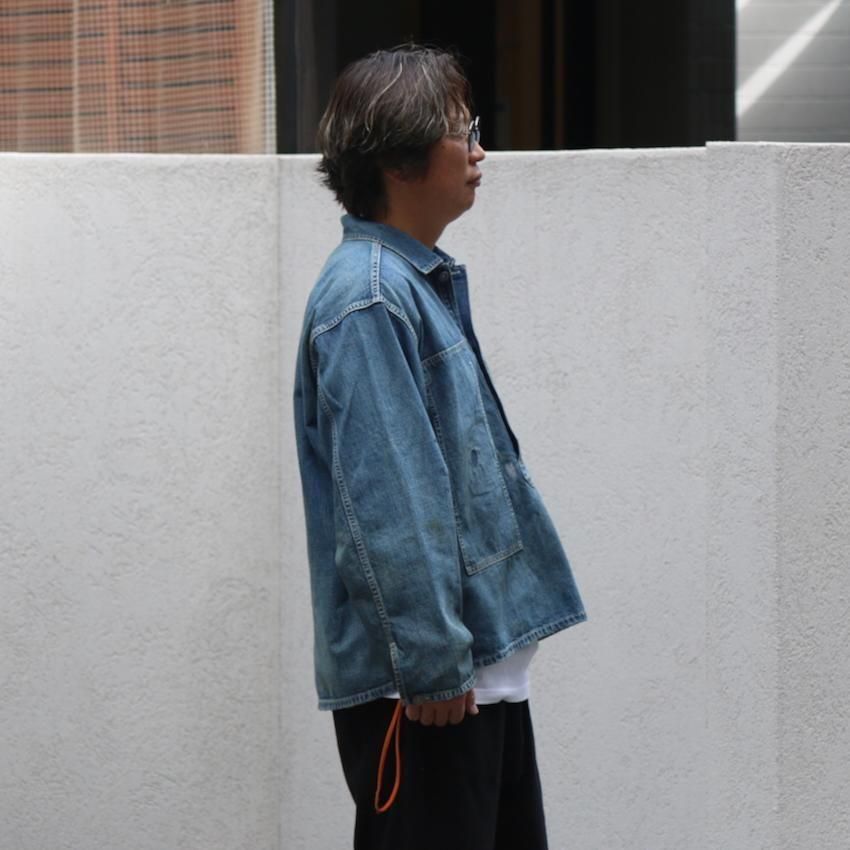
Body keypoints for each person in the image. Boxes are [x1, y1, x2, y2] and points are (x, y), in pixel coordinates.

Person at [292, 44, 587, 850]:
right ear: (400, 159)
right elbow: (391, 499)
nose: (480, 151)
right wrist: (431, 661)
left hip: (472, 677)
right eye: (464, 131)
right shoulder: (369, 298)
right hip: (432, 694)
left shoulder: (404, 283)